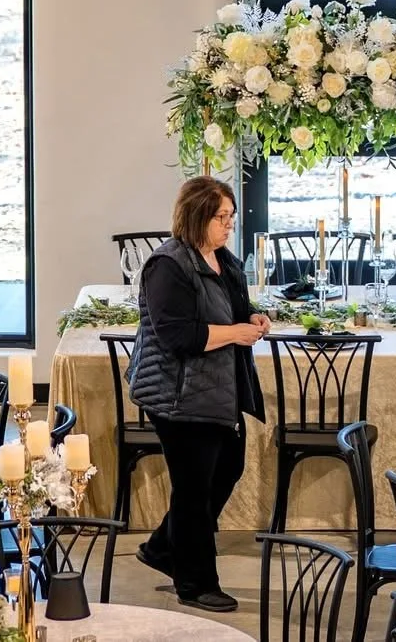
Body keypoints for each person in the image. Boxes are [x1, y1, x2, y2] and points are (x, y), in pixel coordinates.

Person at [127, 175, 270, 612]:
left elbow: (234, 308)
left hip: (218, 390)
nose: (229, 225)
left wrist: (254, 317)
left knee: (227, 468)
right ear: (196, 217)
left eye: (230, 216)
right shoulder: (167, 265)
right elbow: (178, 336)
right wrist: (236, 333)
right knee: (193, 489)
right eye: (221, 217)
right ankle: (195, 583)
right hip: (177, 395)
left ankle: (162, 547)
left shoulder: (222, 259)